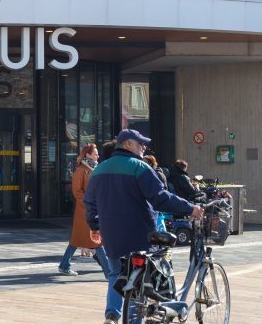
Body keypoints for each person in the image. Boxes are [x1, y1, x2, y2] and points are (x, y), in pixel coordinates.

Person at [84, 129, 202, 323]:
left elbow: (89, 202)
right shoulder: (139, 167)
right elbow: (160, 199)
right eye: (141, 143)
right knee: (139, 281)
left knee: (116, 273)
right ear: (128, 144)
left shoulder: (100, 169)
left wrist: (95, 226)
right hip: (139, 233)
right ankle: (134, 319)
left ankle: (112, 314)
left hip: (111, 234)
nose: (144, 147)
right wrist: (191, 208)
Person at [57, 143, 109, 277]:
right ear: (88, 155)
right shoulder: (81, 170)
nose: (98, 155)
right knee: (96, 241)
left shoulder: (95, 168)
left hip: (93, 209)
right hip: (85, 211)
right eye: (95, 153)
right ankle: (109, 273)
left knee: (76, 240)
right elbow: (77, 191)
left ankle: (64, 265)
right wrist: (90, 203)